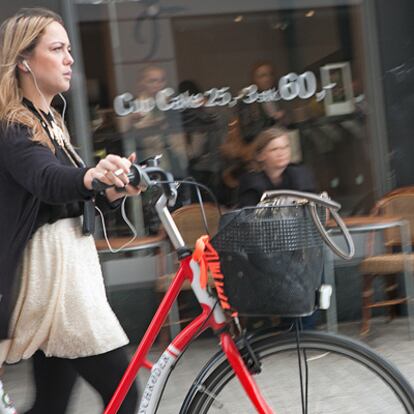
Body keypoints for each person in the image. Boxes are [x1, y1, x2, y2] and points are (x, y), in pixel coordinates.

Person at [0, 8, 140, 413]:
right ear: (24, 61)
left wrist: (110, 190)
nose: (69, 59)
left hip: (68, 272)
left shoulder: (50, 120)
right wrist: (90, 175)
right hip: (54, 282)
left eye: (68, 49)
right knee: (124, 391)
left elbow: (60, 199)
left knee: (51, 404)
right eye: (57, 49)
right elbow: (46, 179)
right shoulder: (13, 125)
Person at [238, 126, 315, 207]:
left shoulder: (301, 174)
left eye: (285, 147)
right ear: (260, 156)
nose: (281, 153)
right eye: (274, 149)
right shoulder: (251, 182)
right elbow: (249, 214)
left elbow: (314, 207)